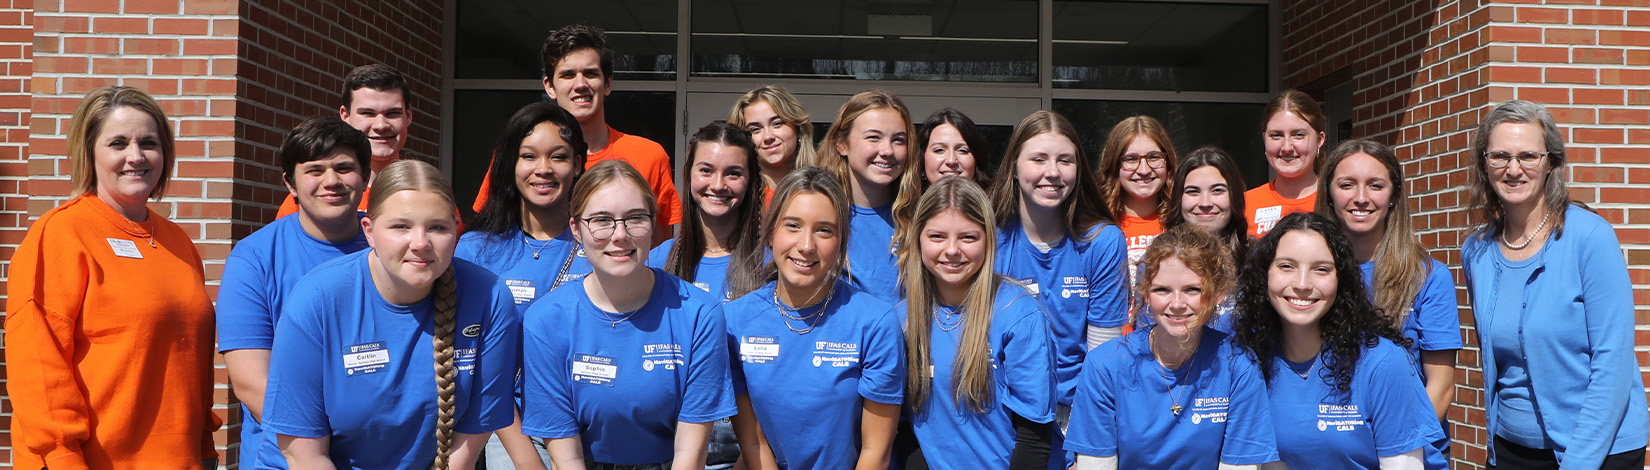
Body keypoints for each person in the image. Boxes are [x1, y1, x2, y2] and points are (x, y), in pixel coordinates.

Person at [5, 85, 221, 470]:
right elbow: (37, 363)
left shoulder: (178, 242)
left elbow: (193, 360)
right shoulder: (61, 233)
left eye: (149, 143)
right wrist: (62, 457)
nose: (135, 157)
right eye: (118, 143)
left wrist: (204, 447)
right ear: (90, 152)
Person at [263, 160, 518, 469]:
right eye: (401, 227)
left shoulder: (489, 297)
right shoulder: (318, 299)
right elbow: (302, 451)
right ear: (369, 231)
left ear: (456, 230)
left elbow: (471, 437)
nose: (421, 243)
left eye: (437, 227)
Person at [1462, 100, 1648, 469]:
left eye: (1528, 155)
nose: (1513, 169)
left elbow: (1612, 361)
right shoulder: (1477, 251)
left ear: (1550, 163)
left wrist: (1580, 463)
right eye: (1500, 156)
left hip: (1599, 450)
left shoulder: (1590, 238)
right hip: (1512, 450)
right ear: (1484, 163)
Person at [519, 160, 735, 469]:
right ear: (576, 229)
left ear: (653, 224)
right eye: (602, 220)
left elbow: (691, 451)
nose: (620, 235)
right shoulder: (545, 321)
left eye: (635, 218)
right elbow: (566, 456)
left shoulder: (699, 313)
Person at [723, 166, 906, 469]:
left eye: (824, 230)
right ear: (770, 233)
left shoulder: (875, 323)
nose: (806, 246)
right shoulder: (734, 321)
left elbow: (876, 452)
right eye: (793, 225)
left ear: (841, 243)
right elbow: (755, 443)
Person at [218, 115, 374, 469]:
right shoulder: (254, 258)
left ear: (365, 177)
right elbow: (251, 382)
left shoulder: (392, 243)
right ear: (290, 182)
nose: (331, 181)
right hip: (284, 458)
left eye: (345, 168)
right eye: (315, 170)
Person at [1232, 213, 1446, 469]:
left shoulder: (1383, 362)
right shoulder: (1250, 361)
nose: (1302, 284)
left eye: (1321, 269)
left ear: (1340, 279)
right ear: (1265, 275)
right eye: (1286, 266)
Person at [1065, 224, 1277, 469]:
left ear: (1218, 293)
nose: (1177, 304)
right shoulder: (1105, 364)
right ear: (1146, 293)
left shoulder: (1238, 365)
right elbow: (1096, 465)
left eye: (1193, 290)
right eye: (1162, 290)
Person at [456, 101, 594, 469]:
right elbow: (476, 363)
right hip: (511, 431)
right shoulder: (474, 250)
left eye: (559, 157)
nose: (543, 169)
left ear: (578, 164)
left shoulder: (603, 243)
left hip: (595, 430)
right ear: (510, 165)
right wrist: (524, 457)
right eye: (528, 156)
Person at [1315, 139, 1461, 459]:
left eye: (1375, 185)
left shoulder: (1428, 277)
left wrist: (1387, 450)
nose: (1361, 198)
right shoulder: (1309, 277)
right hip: (1330, 454)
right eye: (1347, 184)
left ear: (1394, 195)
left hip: (1409, 455)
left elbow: (1441, 386)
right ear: (1328, 192)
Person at [900, 176, 1056, 469]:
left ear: (989, 240)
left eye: (968, 237)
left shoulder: (1019, 315)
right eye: (937, 236)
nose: (952, 250)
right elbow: (905, 429)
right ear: (918, 238)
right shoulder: (903, 319)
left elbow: (1034, 439)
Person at [474, 24, 680, 244]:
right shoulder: (521, 153)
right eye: (568, 75)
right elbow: (489, 231)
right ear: (550, 86)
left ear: (608, 83)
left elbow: (659, 253)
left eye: (590, 74)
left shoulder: (647, 155)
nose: (580, 84)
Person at [987, 110, 1127, 428]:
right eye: (1038, 159)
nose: (1053, 172)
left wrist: (1087, 431)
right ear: (1013, 167)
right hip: (1002, 410)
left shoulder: (1103, 242)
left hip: (1076, 412)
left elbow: (1103, 357)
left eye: (1065, 160)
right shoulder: (988, 240)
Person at [814, 89, 921, 303]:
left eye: (898, 140)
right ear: (841, 144)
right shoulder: (815, 212)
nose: (887, 150)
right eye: (873, 137)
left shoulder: (920, 216)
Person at [277, 63, 415, 217]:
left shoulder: (427, 192)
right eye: (368, 113)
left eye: (392, 113)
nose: (381, 125)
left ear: (408, 115)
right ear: (345, 116)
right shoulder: (312, 198)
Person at [650, 122, 768, 301]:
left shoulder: (771, 263)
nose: (718, 185)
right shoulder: (657, 261)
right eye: (706, 170)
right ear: (689, 173)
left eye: (733, 173)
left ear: (750, 181)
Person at [1094, 115, 1177, 330]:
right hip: (1111, 346)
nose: (1144, 169)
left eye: (1154, 157)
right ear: (1114, 165)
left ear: (1168, 161)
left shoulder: (1181, 221)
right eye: (1131, 159)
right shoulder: (1096, 224)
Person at [1162, 145, 1250, 333]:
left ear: (1234, 196)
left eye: (1217, 190)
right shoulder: (1159, 260)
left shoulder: (1258, 258)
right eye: (1193, 192)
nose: (1205, 203)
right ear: (1179, 199)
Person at [1246, 89, 1326, 237]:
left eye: (1299, 135)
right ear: (1265, 140)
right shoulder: (1244, 204)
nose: (1287, 147)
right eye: (1276, 135)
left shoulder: (1336, 201)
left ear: (1319, 140)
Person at [728, 84, 817, 202]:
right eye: (755, 129)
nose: (768, 136)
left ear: (798, 129)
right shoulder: (738, 194)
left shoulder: (822, 187)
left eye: (777, 123)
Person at [916, 108, 993, 191]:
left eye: (962, 150)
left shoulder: (992, 203)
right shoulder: (905, 203)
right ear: (922, 158)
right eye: (939, 150)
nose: (951, 160)